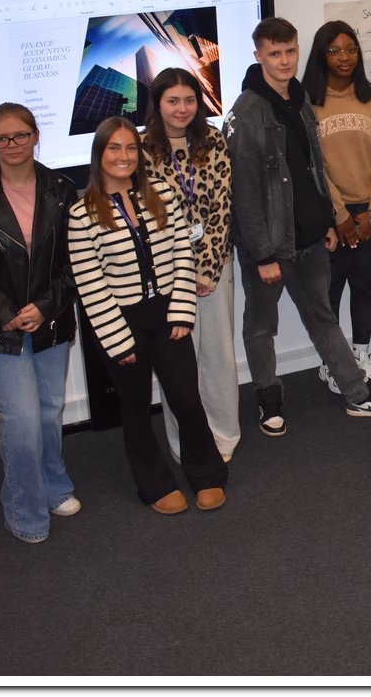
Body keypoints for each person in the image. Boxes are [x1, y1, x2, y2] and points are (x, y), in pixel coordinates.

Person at [225, 16, 371, 433]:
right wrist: (261, 253)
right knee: (260, 326)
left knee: (323, 318)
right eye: (275, 53)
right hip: (269, 244)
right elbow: (245, 190)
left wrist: (327, 218)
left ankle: (358, 396)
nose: (284, 60)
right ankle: (269, 402)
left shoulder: (301, 98)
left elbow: (313, 167)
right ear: (259, 56)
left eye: (290, 51)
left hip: (309, 237)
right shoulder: (248, 110)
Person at [67, 117, 228, 514]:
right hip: (120, 321)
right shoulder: (81, 214)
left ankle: (206, 474)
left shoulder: (161, 194)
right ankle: (154, 483)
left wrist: (181, 313)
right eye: (114, 149)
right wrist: (118, 341)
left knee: (187, 400)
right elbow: (90, 285)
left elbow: (180, 257)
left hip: (168, 314)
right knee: (136, 408)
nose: (123, 156)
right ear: (99, 155)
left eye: (130, 148)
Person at [0, 103, 80, 544]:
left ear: (35, 135)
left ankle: (53, 483)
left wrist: (45, 306)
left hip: (50, 320)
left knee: (49, 411)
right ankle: (23, 506)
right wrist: (5, 309)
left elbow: (75, 261)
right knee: (21, 418)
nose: (12, 145)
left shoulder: (62, 189)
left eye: (20, 135)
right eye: (1, 138)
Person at [141, 68, 239, 463]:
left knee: (218, 356)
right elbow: (149, 218)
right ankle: (187, 444)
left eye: (189, 100)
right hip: (168, 272)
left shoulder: (212, 140)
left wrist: (208, 269)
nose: (182, 109)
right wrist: (183, 271)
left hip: (214, 265)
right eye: (172, 100)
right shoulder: (142, 148)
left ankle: (224, 435)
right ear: (158, 104)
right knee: (178, 364)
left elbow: (222, 206)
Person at [302, 20, 371, 390]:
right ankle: (333, 361)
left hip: (369, 209)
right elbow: (314, 164)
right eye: (335, 50)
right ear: (322, 55)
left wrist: (370, 210)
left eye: (351, 49)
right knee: (331, 290)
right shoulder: (308, 100)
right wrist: (340, 215)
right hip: (329, 212)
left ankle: (361, 354)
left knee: (366, 284)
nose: (344, 57)